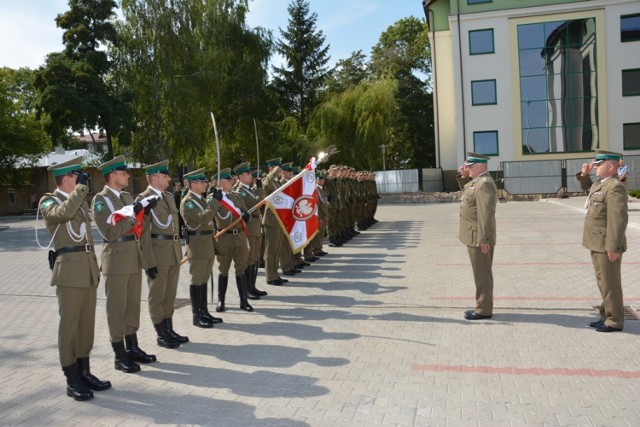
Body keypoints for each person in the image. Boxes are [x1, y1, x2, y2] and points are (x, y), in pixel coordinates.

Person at [39, 156, 110, 401]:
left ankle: (84, 372)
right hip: (68, 271)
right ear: (66, 178)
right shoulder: (48, 200)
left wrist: (95, 268)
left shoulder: (78, 201)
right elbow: (62, 214)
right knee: (69, 327)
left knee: (86, 327)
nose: (81, 180)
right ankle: (71, 379)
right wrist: (80, 191)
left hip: (87, 269)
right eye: (76, 176)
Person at [93, 155, 156, 373]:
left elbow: (138, 228)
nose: (128, 176)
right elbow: (109, 232)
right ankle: (119, 355)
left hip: (132, 256)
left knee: (132, 307)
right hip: (117, 259)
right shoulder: (101, 201)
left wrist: (145, 214)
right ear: (112, 176)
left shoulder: (128, 196)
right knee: (117, 309)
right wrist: (132, 216)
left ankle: (133, 347)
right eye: (123, 173)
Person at [137, 161, 187, 349]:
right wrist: (148, 261)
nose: (169, 179)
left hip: (172, 252)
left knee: (169, 294)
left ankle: (169, 328)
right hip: (157, 253)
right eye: (165, 176)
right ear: (155, 178)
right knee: (157, 295)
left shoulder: (168, 197)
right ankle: (160, 333)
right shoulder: (143, 199)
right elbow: (142, 232)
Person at [576, 150, 628, 332]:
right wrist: (584, 175)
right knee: (604, 282)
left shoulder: (615, 187)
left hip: (607, 245)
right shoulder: (602, 184)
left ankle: (614, 320)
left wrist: (613, 246)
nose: (595, 167)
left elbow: (618, 219)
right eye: (596, 164)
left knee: (610, 282)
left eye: (599, 164)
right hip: (597, 243)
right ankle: (606, 315)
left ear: (611, 166)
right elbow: (590, 191)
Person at [180, 168, 223, 328]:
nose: (206, 184)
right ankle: (196, 315)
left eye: (205, 181)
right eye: (202, 182)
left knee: (204, 279)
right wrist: (215, 201)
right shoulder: (189, 201)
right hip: (197, 244)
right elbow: (205, 218)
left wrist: (212, 201)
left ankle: (204, 311)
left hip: (207, 242)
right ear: (193, 184)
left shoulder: (200, 199)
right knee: (197, 280)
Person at [457, 152, 497, 321]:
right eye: (467, 166)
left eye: (471, 167)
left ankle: (483, 310)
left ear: (482, 167)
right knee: (480, 273)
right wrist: (465, 176)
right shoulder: (478, 182)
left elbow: (486, 213)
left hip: (478, 238)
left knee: (482, 275)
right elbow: (469, 191)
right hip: (474, 236)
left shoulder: (485, 184)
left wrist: (484, 239)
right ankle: (482, 305)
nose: (468, 169)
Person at [209, 167, 254, 312]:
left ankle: (243, 300)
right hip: (224, 238)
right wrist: (215, 199)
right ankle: (221, 301)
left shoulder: (236, 197)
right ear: (221, 182)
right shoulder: (214, 198)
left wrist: (247, 216)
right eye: (228, 180)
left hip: (239, 236)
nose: (232, 181)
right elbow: (210, 216)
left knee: (241, 268)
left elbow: (244, 212)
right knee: (223, 270)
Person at [233, 162, 267, 299]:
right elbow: (258, 202)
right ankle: (247, 289)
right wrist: (260, 189)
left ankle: (252, 287)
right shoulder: (241, 191)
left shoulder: (250, 189)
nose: (250, 175)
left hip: (256, 225)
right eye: (247, 174)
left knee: (254, 257)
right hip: (250, 226)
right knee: (249, 257)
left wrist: (257, 189)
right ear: (240, 176)